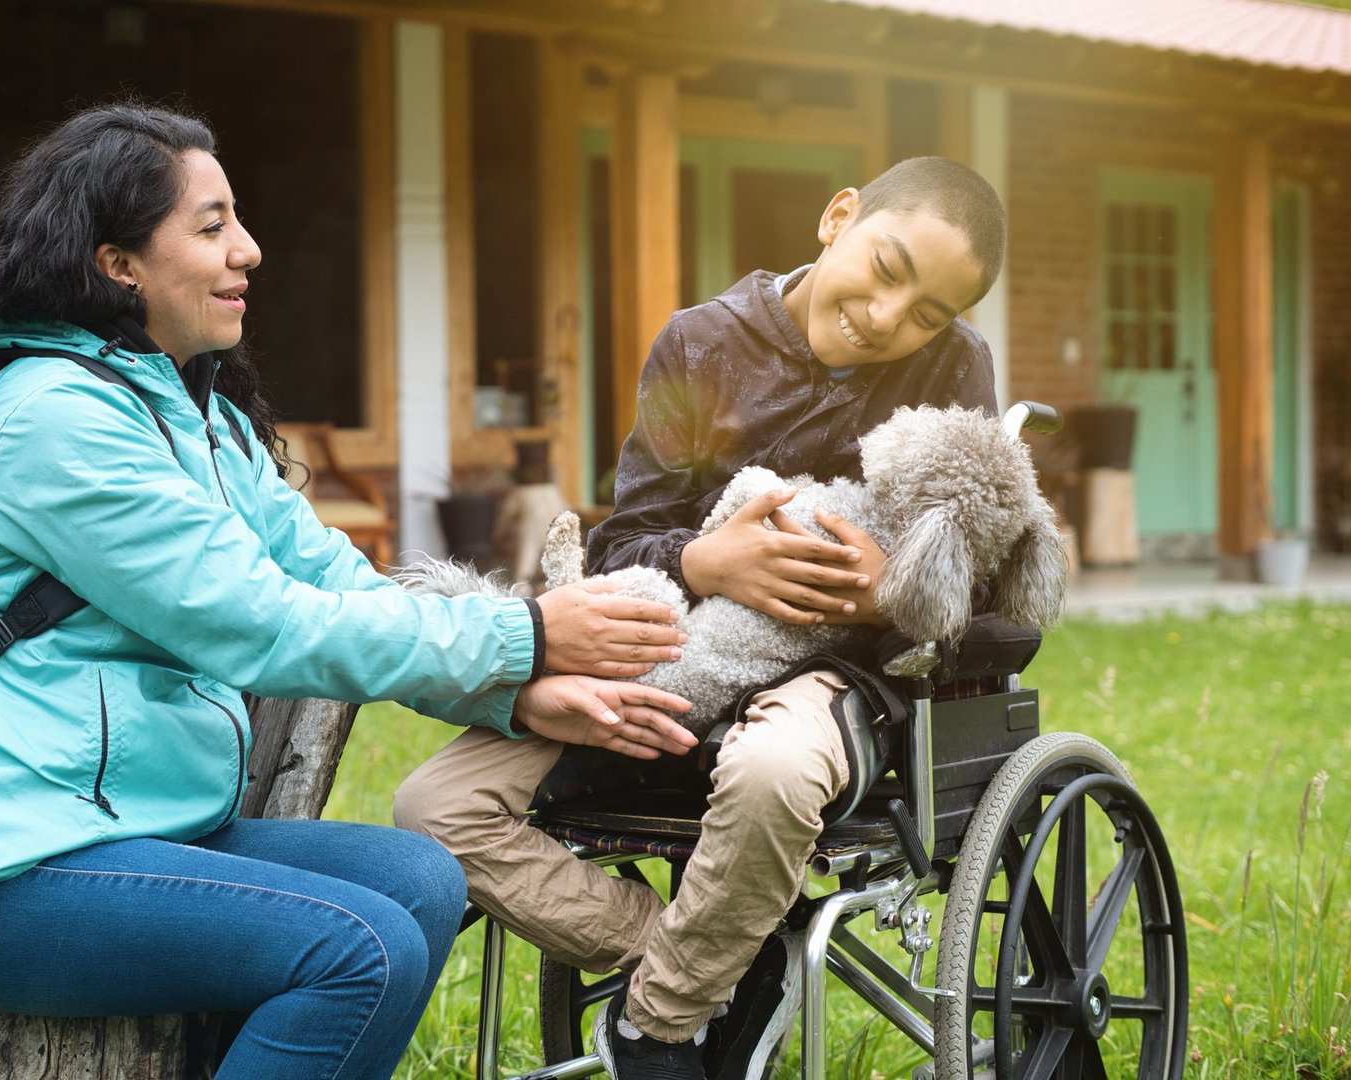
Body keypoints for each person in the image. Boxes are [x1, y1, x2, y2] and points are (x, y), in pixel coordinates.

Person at [0, 100, 700, 1080]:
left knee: (422, 878)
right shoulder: (55, 421)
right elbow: (260, 624)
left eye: (238, 221)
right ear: (116, 263)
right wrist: (525, 635)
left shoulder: (190, 411)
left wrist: (510, 691)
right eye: (211, 226)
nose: (248, 250)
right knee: (361, 950)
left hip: (136, 826)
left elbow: (332, 579)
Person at [395, 156, 1005, 1079]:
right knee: (434, 808)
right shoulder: (702, 344)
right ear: (837, 217)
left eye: (927, 312)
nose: (889, 318)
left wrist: (895, 589)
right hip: (672, 646)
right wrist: (701, 559)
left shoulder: (957, 370)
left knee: (769, 773)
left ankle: (664, 1015)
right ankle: (718, 951)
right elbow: (626, 537)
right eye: (886, 270)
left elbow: (984, 572)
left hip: (832, 678)